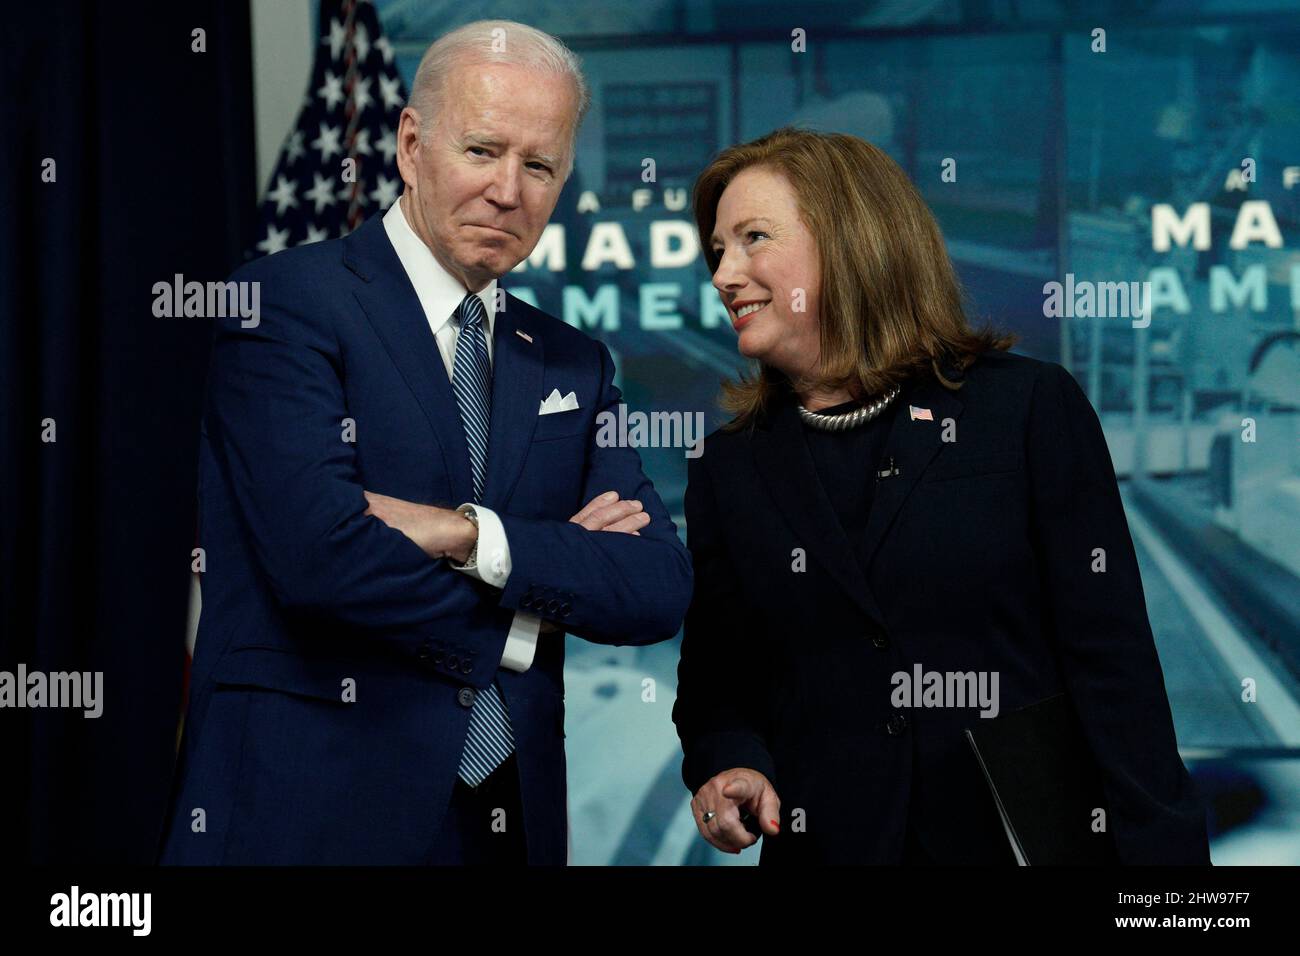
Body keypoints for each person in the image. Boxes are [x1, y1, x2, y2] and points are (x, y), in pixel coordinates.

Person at [158, 20, 691, 866]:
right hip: (309, 820)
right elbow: (321, 557)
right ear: (411, 143)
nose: (509, 191)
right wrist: (532, 609)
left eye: (541, 165)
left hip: (507, 828)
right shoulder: (281, 304)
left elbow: (656, 584)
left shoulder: (574, 361)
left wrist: (469, 535)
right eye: (482, 150)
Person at [672, 126, 1210, 865]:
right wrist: (730, 759)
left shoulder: (1025, 411)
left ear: (853, 239)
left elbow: (1115, 668)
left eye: (753, 238)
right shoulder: (728, 465)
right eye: (717, 250)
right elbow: (719, 678)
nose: (725, 273)